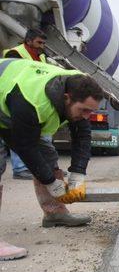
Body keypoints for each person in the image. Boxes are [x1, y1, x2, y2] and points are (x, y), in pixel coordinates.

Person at [0, 58, 104, 261]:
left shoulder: (77, 89)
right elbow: (25, 146)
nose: (86, 116)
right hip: (11, 96)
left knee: (47, 155)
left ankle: (54, 212)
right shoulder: (33, 101)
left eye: (91, 111)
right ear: (67, 98)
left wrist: (77, 176)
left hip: (14, 105)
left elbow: (82, 137)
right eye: (84, 110)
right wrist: (52, 184)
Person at [4, 28, 50, 179]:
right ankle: (20, 168)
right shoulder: (14, 54)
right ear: (29, 41)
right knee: (20, 133)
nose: (42, 46)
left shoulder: (41, 56)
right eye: (39, 42)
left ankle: (39, 167)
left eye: (43, 43)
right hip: (15, 98)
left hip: (33, 99)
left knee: (36, 135)